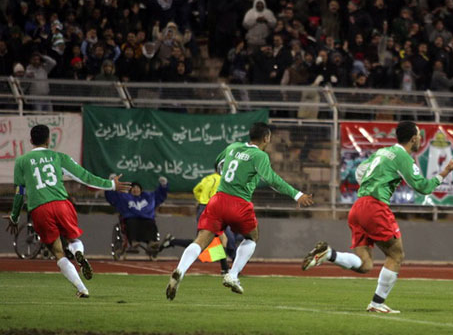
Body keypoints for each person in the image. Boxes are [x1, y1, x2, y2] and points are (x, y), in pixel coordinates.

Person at [302, 121, 453, 313]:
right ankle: (376, 304)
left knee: (365, 264)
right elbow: (423, 187)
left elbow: (360, 172)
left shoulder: (383, 152)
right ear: (413, 138)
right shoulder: (403, 157)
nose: (420, 138)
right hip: (375, 207)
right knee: (396, 255)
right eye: (419, 135)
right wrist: (444, 173)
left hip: (358, 207)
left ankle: (329, 254)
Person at [166, 122, 314, 300]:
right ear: (266, 138)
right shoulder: (259, 156)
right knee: (252, 237)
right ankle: (233, 274)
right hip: (239, 203)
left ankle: (180, 270)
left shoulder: (233, 147)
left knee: (202, 239)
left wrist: (228, 175)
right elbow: (272, 180)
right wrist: (297, 194)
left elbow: (217, 164)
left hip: (218, 200)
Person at [3, 125, 130, 298]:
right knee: (73, 239)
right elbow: (84, 177)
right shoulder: (59, 157)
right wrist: (112, 185)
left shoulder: (21, 161)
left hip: (39, 208)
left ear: (31, 140)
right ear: (49, 140)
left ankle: (82, 289)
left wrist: (14, 217)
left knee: (58, 252)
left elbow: (20, 192)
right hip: (62, 204)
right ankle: (78, 252)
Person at [161, 164, 234, 275]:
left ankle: (172, 241)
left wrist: (201, 200)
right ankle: (225, 268)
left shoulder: (207, 178)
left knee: (207, 241)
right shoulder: (222, 180)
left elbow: (196, 190)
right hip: (212, 210)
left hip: (202, 208)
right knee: (212, 241)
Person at [105, 177, 169, 256]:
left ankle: (152, 242)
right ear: (130, 190)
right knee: (132, 223)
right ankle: (134, 241)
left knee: (150, 223)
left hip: (146, 219)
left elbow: (159, 195)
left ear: (141, 190)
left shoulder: (148, 197)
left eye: (137, 188)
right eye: (133, 188)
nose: (135, 189)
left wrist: (163, 185)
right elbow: (112, 197)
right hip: (131, 218)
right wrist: (111, 183)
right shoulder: (124, 197)